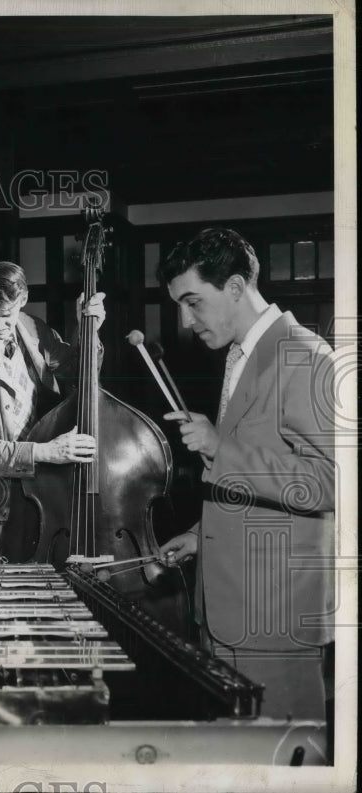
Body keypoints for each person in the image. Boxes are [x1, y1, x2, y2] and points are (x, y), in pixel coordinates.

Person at [156, 228, 335, 722]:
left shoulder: (305, 356)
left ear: (235, 287)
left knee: (282, 766)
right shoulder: (241, 355)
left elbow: (332, 482)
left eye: (193, 302)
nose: (187, 321)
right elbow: (257, 476)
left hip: (274, 617)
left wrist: (221, 448)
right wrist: (200, 535)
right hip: (228, 608)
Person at [0, 261, 106, 561]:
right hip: (0, 499)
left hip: (50, 485)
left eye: (8, 315)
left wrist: (88, 329)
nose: (0, 326)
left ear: (23, 300)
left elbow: (77, 373)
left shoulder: (31, 327)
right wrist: (43, 452)